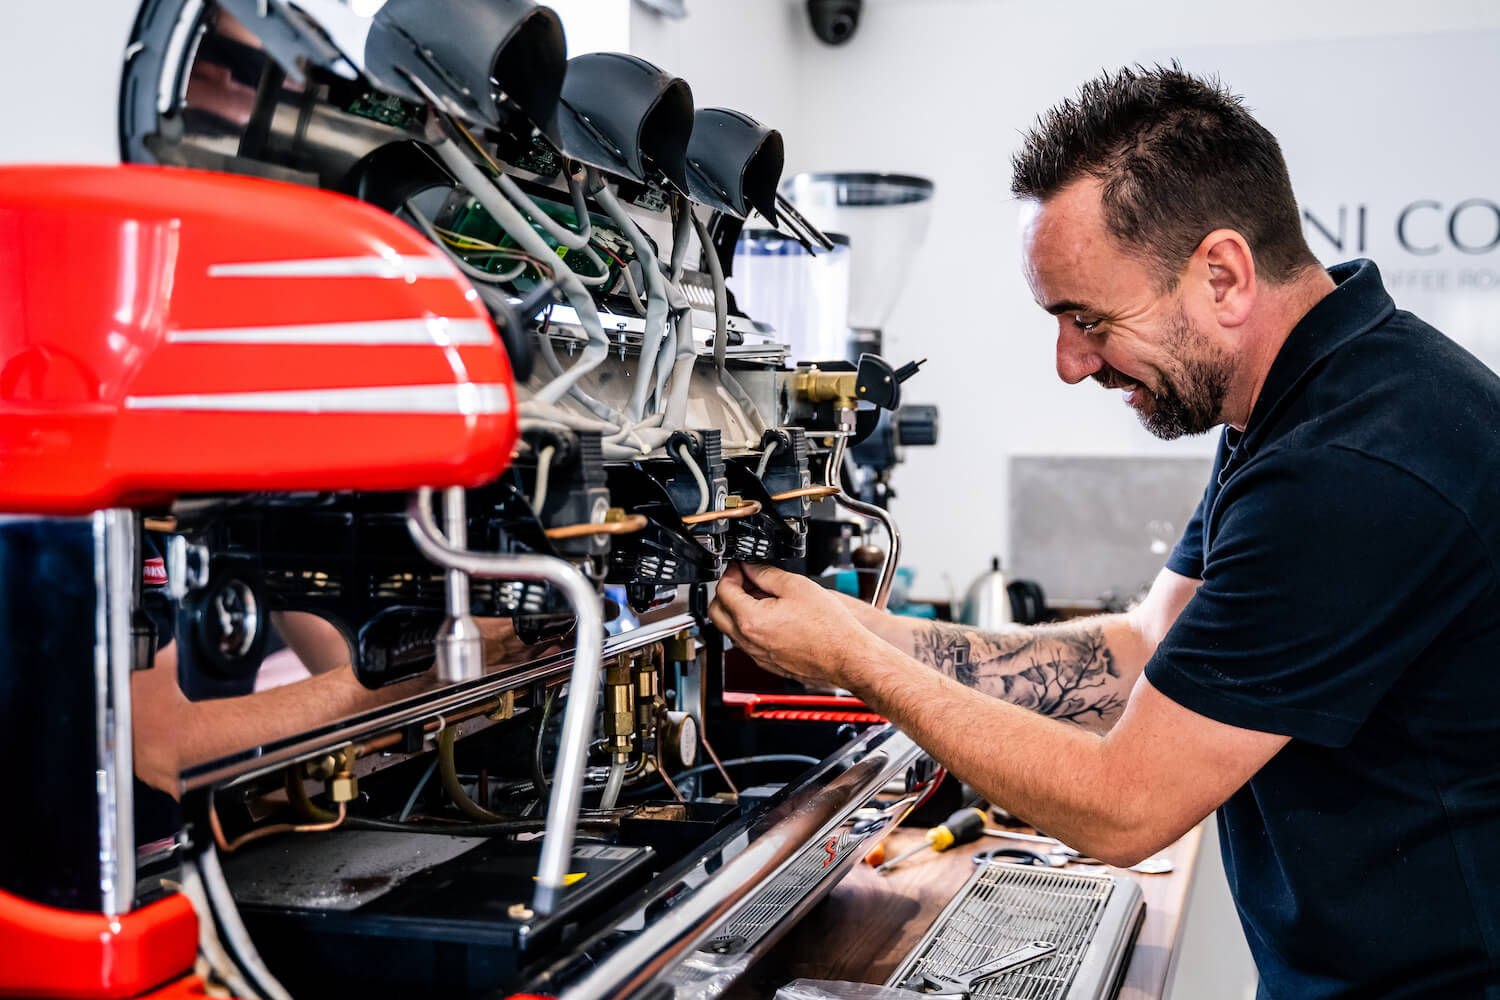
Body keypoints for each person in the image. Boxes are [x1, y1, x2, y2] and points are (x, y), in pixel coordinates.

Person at [709, 64, 1500, 998]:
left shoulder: (1352, 466)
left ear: (1224, 275)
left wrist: (859, 664)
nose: (1069, 362)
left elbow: (1125, 808)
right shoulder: (1307, 399)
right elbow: (1145, 646)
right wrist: (862, 630)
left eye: (1089, 319)